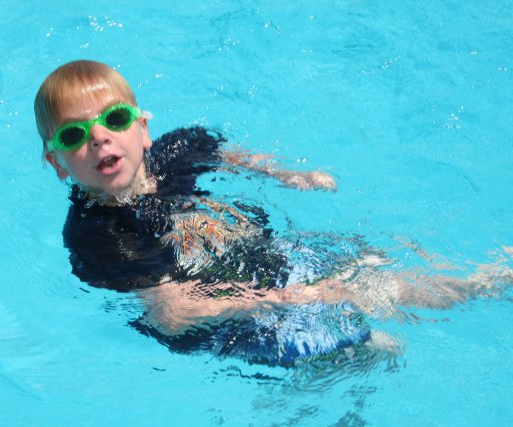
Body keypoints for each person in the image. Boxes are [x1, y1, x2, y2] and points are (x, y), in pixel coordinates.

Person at [34, 60, 511, 367]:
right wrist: (287, 299)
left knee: (369, 262)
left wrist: (283, 174)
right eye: (74, 135)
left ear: (142, 130)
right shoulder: (97, 234)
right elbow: (173, 313)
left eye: (114, 119)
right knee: (349, 332)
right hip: (225, 322)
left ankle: (478, 283)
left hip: (255, 260)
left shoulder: (176, 150)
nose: (98, 137)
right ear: (57, 164)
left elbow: (218, 150)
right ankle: (476, 288)